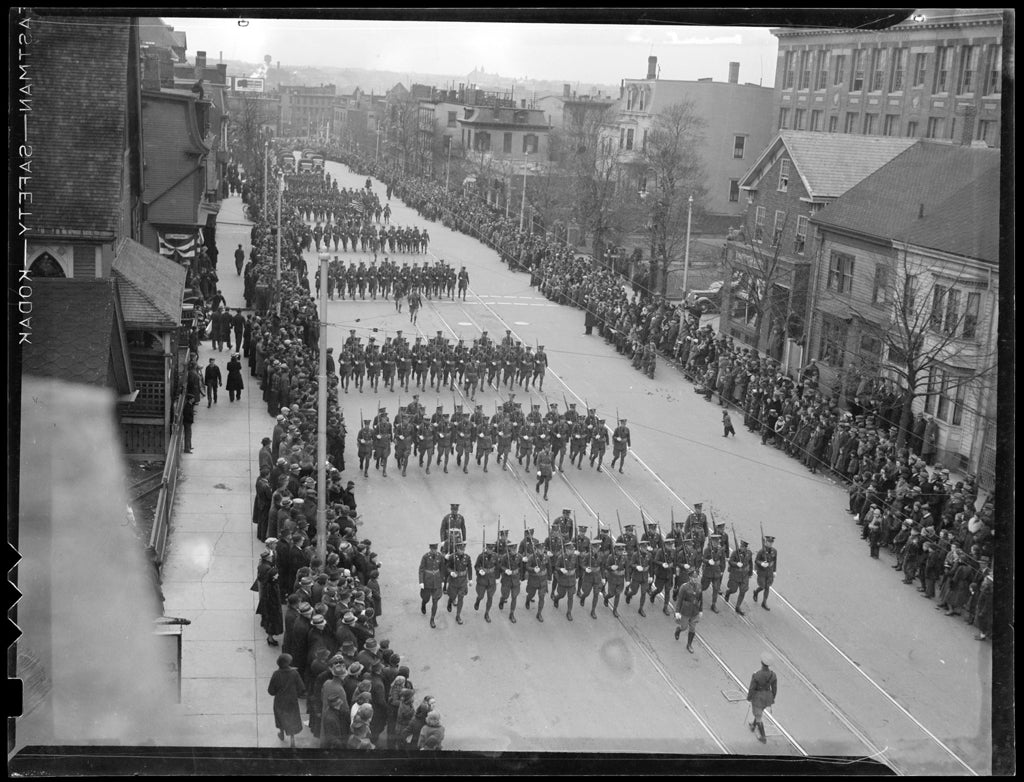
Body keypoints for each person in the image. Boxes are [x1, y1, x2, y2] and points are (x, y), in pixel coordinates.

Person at [268, 653, 305, 747]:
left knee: (280, 717)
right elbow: (301, 688)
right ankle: (292, 739)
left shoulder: (276, 674)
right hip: (291, 700)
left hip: (280, 701)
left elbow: (271, 691)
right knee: (292, 718)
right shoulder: (294, 673)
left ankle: (281, 733)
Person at [746, 652, 778, 744]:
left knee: (758, 715)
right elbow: (774, 688)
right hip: (767, 697)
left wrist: (749, 698)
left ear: (761, 663)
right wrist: (772, 698)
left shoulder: (756, 675)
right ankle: (753, 725)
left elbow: (752, 688)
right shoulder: (773, 675)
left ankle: (763, 737)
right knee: (759, 712)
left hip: (758, 697)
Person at [256, 550, 284, 645]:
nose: (277, 576)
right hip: (272, 608)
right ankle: (270, 638)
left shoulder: (262, 566)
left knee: (268, 622)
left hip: (270, 605)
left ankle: (270, 637)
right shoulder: (271, 586)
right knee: (271, 623)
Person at [723, 537, 754, 615]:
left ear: (746, 548)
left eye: (744, 547)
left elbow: (750, 563)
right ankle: (728, 593)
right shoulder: (735, 553)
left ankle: (738, 607)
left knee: (743, 591)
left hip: (744, 575)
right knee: (733, 590)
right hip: (735, 575)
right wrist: (736, 564)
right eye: (741, 546)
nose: (742, 548)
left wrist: (750, 572)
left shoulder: (749, 553)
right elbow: (730, 561)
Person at [673, 574, 703, 654]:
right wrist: (677, 612)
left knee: (692, 628)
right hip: (685, 610)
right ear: (690, 578)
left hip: (695, 611)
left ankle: (689, 645)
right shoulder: (684, 587)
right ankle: (679, 630)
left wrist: (700, 610)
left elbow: (701, 599)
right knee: (684, 627)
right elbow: (680, 600)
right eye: (693, 578)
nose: (695, 579)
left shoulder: (699, 586)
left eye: (696, 578)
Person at [445, 541, 472, 625]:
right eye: (460, 549)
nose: (462, 551)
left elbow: (470, 568)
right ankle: (450, 601)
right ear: (457, 549)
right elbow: (447, 567)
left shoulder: (467, 557)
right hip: (454, 580)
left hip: (463, 581)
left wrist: (470, 579)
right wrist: (451, 572)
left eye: (463, 549)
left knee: (461, 598)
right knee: (452, 595)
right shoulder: (452, 557)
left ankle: (458, 615)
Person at [419, 542, 445, 629]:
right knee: (426, 598)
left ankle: (432, 619)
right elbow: (421, 569)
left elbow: (442, 568)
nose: (434, 551)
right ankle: (423, 603)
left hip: (437, 581)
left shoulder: (440, 556)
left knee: (435, 601)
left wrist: (442, 580)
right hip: (427, 581)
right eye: (433, 549)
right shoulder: (425, 557)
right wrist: (421, 582)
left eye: (435, 549)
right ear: (430, 549)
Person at [473, 542, 499, 622]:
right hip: (483, 579)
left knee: (490, 597)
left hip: (491, 579)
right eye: (489, 549)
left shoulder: (495, 556)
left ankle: (487, 613)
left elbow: (497, 567)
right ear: (486, 548)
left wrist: (497, 578)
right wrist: (480, 570)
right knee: (481, 595)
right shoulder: (481, 556)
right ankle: (478, 600)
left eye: (492, 549)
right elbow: (476, 566)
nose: (490, 551)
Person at [752, 535, 778, 611]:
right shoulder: (761, 551)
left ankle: (764, 602)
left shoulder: (774, 551)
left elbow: (775, 561)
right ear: (765, 542)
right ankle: (756, 592)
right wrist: (762, 563)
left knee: (767, 587)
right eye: (769, 542)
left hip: (769, 571)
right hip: (762, 571)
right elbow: (756, 560)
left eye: (771, 542)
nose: (770, 544)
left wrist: (774, 571)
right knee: (762, 586)